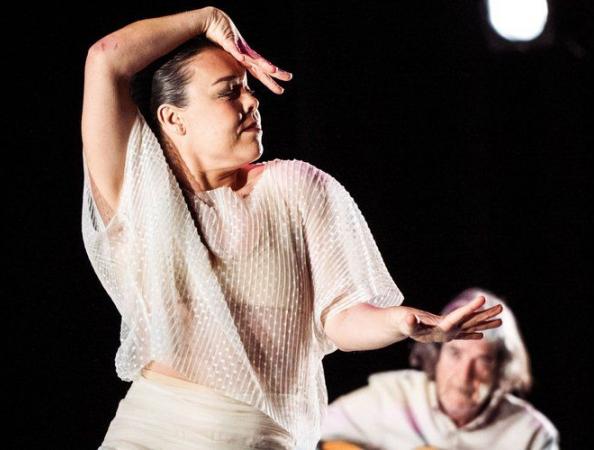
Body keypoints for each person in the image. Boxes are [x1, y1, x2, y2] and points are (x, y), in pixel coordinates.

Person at [81, 7, 504, 450]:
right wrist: (208, 18)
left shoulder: (297, 187)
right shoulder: (140, 196)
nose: (252, 101)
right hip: (152, 433)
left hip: (262, 440)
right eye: (229, 92)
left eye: (248, 89)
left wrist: (402, 323)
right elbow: (107, 58)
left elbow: (339, 317)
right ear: (173, 119)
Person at [320, 287, 559, 450]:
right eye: (455, 354)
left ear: (503, 370)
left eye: (484, 361)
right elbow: (309, 435)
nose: (465, 376)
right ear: (436, 354)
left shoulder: (531, 434)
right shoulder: (391, 396)